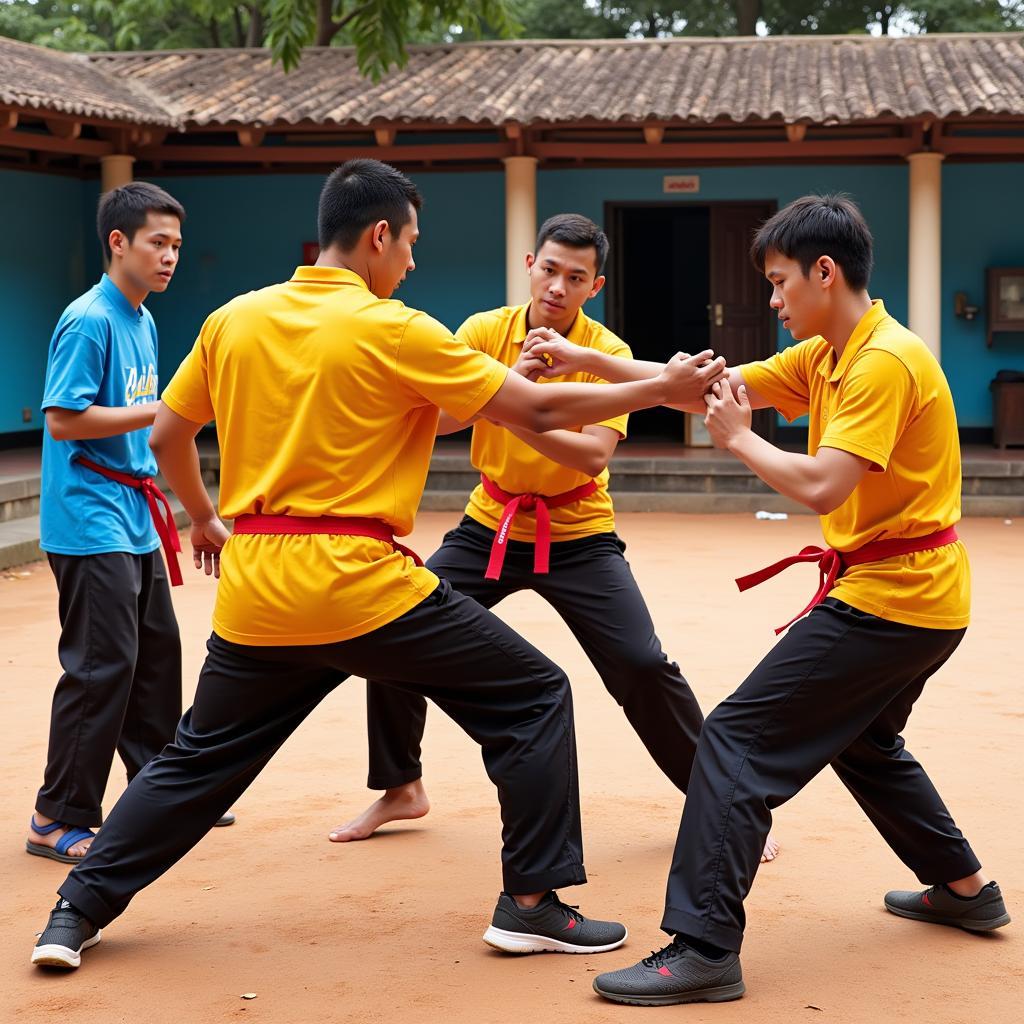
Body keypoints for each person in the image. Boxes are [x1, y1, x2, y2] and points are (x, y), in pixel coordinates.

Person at [30, 159, 725, 970]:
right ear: (380, 236)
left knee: (197, 758)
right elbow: (534, 408)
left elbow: (167, 438)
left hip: (258, 589)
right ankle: (531, 903)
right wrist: (662, 387)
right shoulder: (399, 328)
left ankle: (74, 913)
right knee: (535, 696)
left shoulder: (234, 319)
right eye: (411, 244)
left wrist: (207, 518)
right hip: (363, 584)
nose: (413, 263)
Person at [524, 194, 1010, 1007]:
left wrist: (741, 440)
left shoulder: (882, 361)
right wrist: (594, 365)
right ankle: (964, 888)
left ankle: (704, 944)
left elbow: (823, 481)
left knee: (735, 743)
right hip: (916, 598)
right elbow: (704, 386)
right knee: (866, 743)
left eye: (780, 284)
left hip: (893, 599)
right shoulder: (828, 353)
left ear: (825, 272)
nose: (773, 302)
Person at [331, 213, 780, 865]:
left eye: (575, 277)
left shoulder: (611, 355)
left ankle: (719, 801)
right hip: (492, 521)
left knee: (644, 665)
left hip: (578, 533)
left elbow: (592, 458)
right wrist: (508, 383)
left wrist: (512, 404)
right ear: (528, 266)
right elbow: (445, 417)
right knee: (396, 620)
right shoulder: (485, 332)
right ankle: (401, 786)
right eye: (549, 270)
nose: (558, 287)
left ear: (594, 286)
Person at [26, 183, 235, 869]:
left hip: (134, 518)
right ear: (118, 243)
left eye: (176, 244)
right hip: (89, 519)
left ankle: (157, 793)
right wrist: (157, 412)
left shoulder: (140, 319)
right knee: (101, 668)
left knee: (154, 659)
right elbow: (62, 418)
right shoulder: (90, 319)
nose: (170, 256)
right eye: (158, 243)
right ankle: (58, 815)